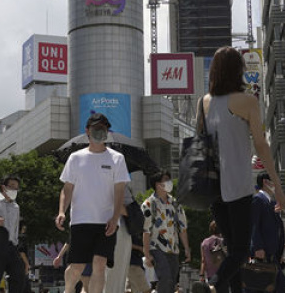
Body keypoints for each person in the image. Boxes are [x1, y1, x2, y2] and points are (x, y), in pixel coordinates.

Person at [200, 47, 285, 293]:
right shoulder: (247, 101)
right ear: (237, 70)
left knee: (231, 246)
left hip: (212, 186)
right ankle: (214, 283)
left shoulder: (204, 102)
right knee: (240, 250)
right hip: (237, 185)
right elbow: (261, 145)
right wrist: (278, 188)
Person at [56, 113, 131, 293]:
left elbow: (119, 192)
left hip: (106, 222)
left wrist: (115, 218)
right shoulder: (75, 158)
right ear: (87, 131)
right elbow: (67, 189)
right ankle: (68, 290)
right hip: (81, 220)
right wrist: (61, 212)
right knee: (77, 267)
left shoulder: (117, 159)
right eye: (96, 128)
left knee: (100, 264)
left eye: (104, 129)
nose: (100, 132)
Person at [141, 171, 190, 293]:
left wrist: (187, 248)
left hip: (173, 249)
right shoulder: (148, 204)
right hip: (156, 248)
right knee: (165, 277)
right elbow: (146, 231)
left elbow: (182, 228)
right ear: (157, 184)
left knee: (172, 281)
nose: (169, 182)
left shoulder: (175, 203)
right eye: (166, 179)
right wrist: (147, 254)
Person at [249, 172, 285, 293]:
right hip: (263, 255)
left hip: (272, 256)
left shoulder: (272, 203)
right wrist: (258, 247)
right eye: (274, 181)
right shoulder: (258, 200)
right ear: (266, 182)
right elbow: (254, 225)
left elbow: (278, 229)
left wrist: (280, 251)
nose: (276, 185)